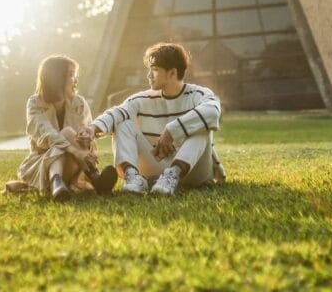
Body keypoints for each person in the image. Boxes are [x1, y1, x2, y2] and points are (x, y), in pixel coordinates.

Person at [79, 43, 225, 196]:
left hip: (196, 171)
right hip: (157, 170)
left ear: (172, 73)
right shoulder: (143, 98)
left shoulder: (199, 94)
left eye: (154, 70)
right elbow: (119, 112)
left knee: (203, 126)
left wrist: (171, 131)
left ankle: (173, 175)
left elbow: (213, 112)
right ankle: (134, 179)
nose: (149, 75)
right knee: (122, 122)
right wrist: (92, 128)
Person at [17, 54, 117, 202]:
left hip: (75, 165)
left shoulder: (79, 102)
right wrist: (75, 150)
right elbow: (47, 135)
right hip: (42, 164)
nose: (76, 80)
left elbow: (85, 138)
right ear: (57, 78)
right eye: (71, 75)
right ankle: (92, 177)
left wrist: (86, 139)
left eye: (75, 75)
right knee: (66, 134)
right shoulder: (35, 103)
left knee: (69, 134)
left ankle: (58, 184)